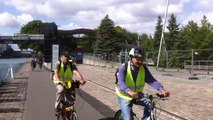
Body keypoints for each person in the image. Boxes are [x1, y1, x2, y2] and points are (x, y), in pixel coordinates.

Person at [116, 47, 169, 120]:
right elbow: (120, 82)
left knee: (150, 104)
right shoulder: (123, 67)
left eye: (142, 59)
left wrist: (162, 90)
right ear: (131, 57)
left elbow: (152, 80)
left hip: (137, 94)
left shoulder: (143, 68)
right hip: (124, 95)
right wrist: (129, 91)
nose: (140, 61)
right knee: (128, 118)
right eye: (138, 59)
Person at [53, 52, 86, 117]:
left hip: (68, 82)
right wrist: (60, 81)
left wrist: (81, 79)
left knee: (71, 97)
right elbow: (56, 72)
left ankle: (68, 110)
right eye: (65, 58)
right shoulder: (58, 63)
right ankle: (57, 107)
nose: (66, 60)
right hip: (58, 81)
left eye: (67, 58)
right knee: (61, 90)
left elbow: (76, 72)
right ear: (62, 57)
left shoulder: (71, 64)